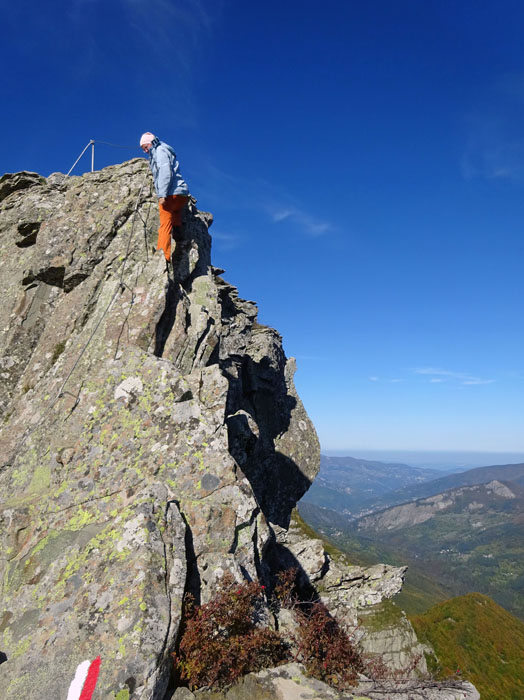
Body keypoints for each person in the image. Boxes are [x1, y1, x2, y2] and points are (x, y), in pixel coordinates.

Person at [140, 132, 190, 263]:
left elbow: (164, 171)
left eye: (145, 147)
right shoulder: (164, 150)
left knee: (164, 224)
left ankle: (163, 257)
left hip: (171, 193)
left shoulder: (159, 151)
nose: (145, 151)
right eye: (143, 149)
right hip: (181, 194)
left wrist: (162, 194)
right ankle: (179, 232)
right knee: (175, 212)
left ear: (151, 143)